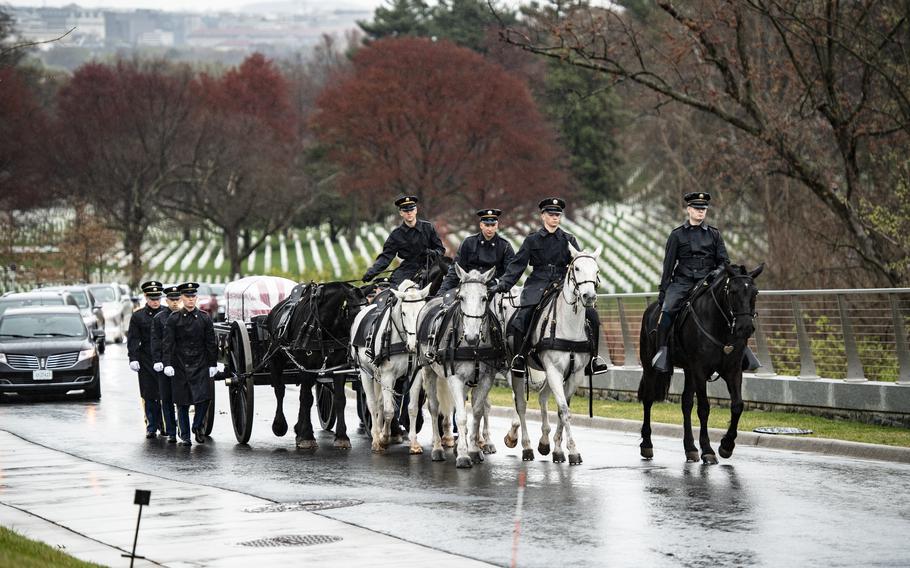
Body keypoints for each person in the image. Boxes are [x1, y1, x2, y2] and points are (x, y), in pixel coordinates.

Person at [493, 198, 608, 377]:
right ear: (543, 216)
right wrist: (503, 284)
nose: (555, 218)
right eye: (551, 214)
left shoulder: (568, 239)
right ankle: (520, 357)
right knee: (523, 316)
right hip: (538, 283)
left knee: (592, 315)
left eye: (557, 215)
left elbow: (579, 262)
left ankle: (593, 358)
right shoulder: (532, 240)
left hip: (562, 284)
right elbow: (518, 265)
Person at [654, 191, 734, 372]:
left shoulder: (714, 234)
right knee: (667, 311)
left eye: (703, 209)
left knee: (733, 308)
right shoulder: (676, 235)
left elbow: (725, 262)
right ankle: (663, 353)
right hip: (682, 282)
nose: (701, 212)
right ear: (688, 209)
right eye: (697, 208)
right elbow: (668, 265)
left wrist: (715, 274)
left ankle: (742, 352)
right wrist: (664, 290)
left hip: (708, 282)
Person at [162, 282, 217, 446]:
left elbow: (210, 342)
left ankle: (197, 426)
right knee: (182, 402)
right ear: (182, 299)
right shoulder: (174, 319)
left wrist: (212, 364)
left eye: (193, 296)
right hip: (180, 364)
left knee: (204, 398)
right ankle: (185, 435)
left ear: (196, 298)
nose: (191, 300)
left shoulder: (204, 318)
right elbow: (168, 343)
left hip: (200, 363)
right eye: (187, 297)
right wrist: (167, 363)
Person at [361, 195, 445, 288]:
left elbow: (441, 249)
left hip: (430, 264)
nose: (409, 213)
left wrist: (433, 253)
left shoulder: (428, 227)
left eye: (411, 210)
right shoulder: (396, 235)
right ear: (401, 213)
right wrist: (371, 273)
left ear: (416, 211)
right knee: (394, 289)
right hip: (408, 269)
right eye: (405, 211)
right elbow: (386, 257)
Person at [438, 208, 515, 296]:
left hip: (494, 291)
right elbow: (455, 270)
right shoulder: (468, 243)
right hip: (469, 288)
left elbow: (510, 273)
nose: (490, 229)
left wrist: (499, 285)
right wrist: (441, 293)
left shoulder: (505, 246)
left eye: (493, 225)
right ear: (481, 225)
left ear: (497, 225)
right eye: (487, 225)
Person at [127, 281, 166, 439]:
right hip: (146, 359)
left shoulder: (166, 313)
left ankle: (164, 424)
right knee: (149, 394)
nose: (155, 301)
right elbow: (133, 339)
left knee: (165, 394)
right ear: (146, 297)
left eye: (157, 298)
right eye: (152, 298)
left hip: (164, 358)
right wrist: (133, 357)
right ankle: (151, 425)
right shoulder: (138, 316)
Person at [151, 285, 181, 443]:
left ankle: (183, 429)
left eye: (177, 299)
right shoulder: (159, 318)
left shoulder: (185, 316)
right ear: (166, 300)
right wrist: (157, 361)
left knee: (182, 399)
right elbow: (155, 341)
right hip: (164, 363)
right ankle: (171, 431)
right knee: (167, 399)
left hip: (182, 363)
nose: (175, 303)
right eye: (172, 300)